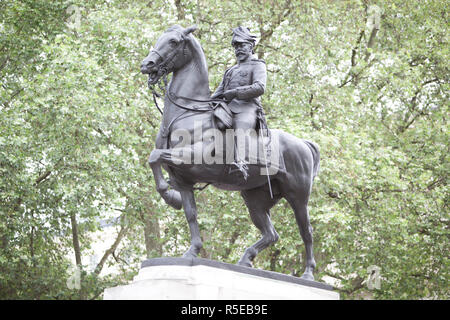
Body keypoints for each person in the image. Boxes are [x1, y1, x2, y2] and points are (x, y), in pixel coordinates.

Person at [211, 26, 267, 132]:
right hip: (226, 108)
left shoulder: (257, 65)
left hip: (246, 108)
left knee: (240, 131)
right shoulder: (230, 70)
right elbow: (217, 94)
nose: (238, 49)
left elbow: (260, 87)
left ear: (251, 46)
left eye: (242, 45)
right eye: (236, 47)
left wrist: (235, 93)